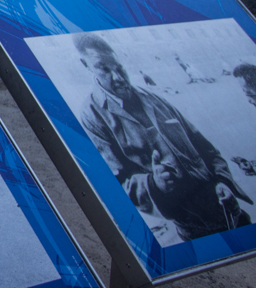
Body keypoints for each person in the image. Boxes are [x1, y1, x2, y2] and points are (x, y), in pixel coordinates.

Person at [76, 34, 251, 240]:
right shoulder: (92, 117)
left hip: (229, 208)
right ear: (86, 65)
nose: (118, 78)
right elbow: (115, 184)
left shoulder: (154, 99)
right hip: (192, 226)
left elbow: (206, 148)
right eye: (104, 69)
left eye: (119, 68)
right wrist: (154, 184)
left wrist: (223, 181)